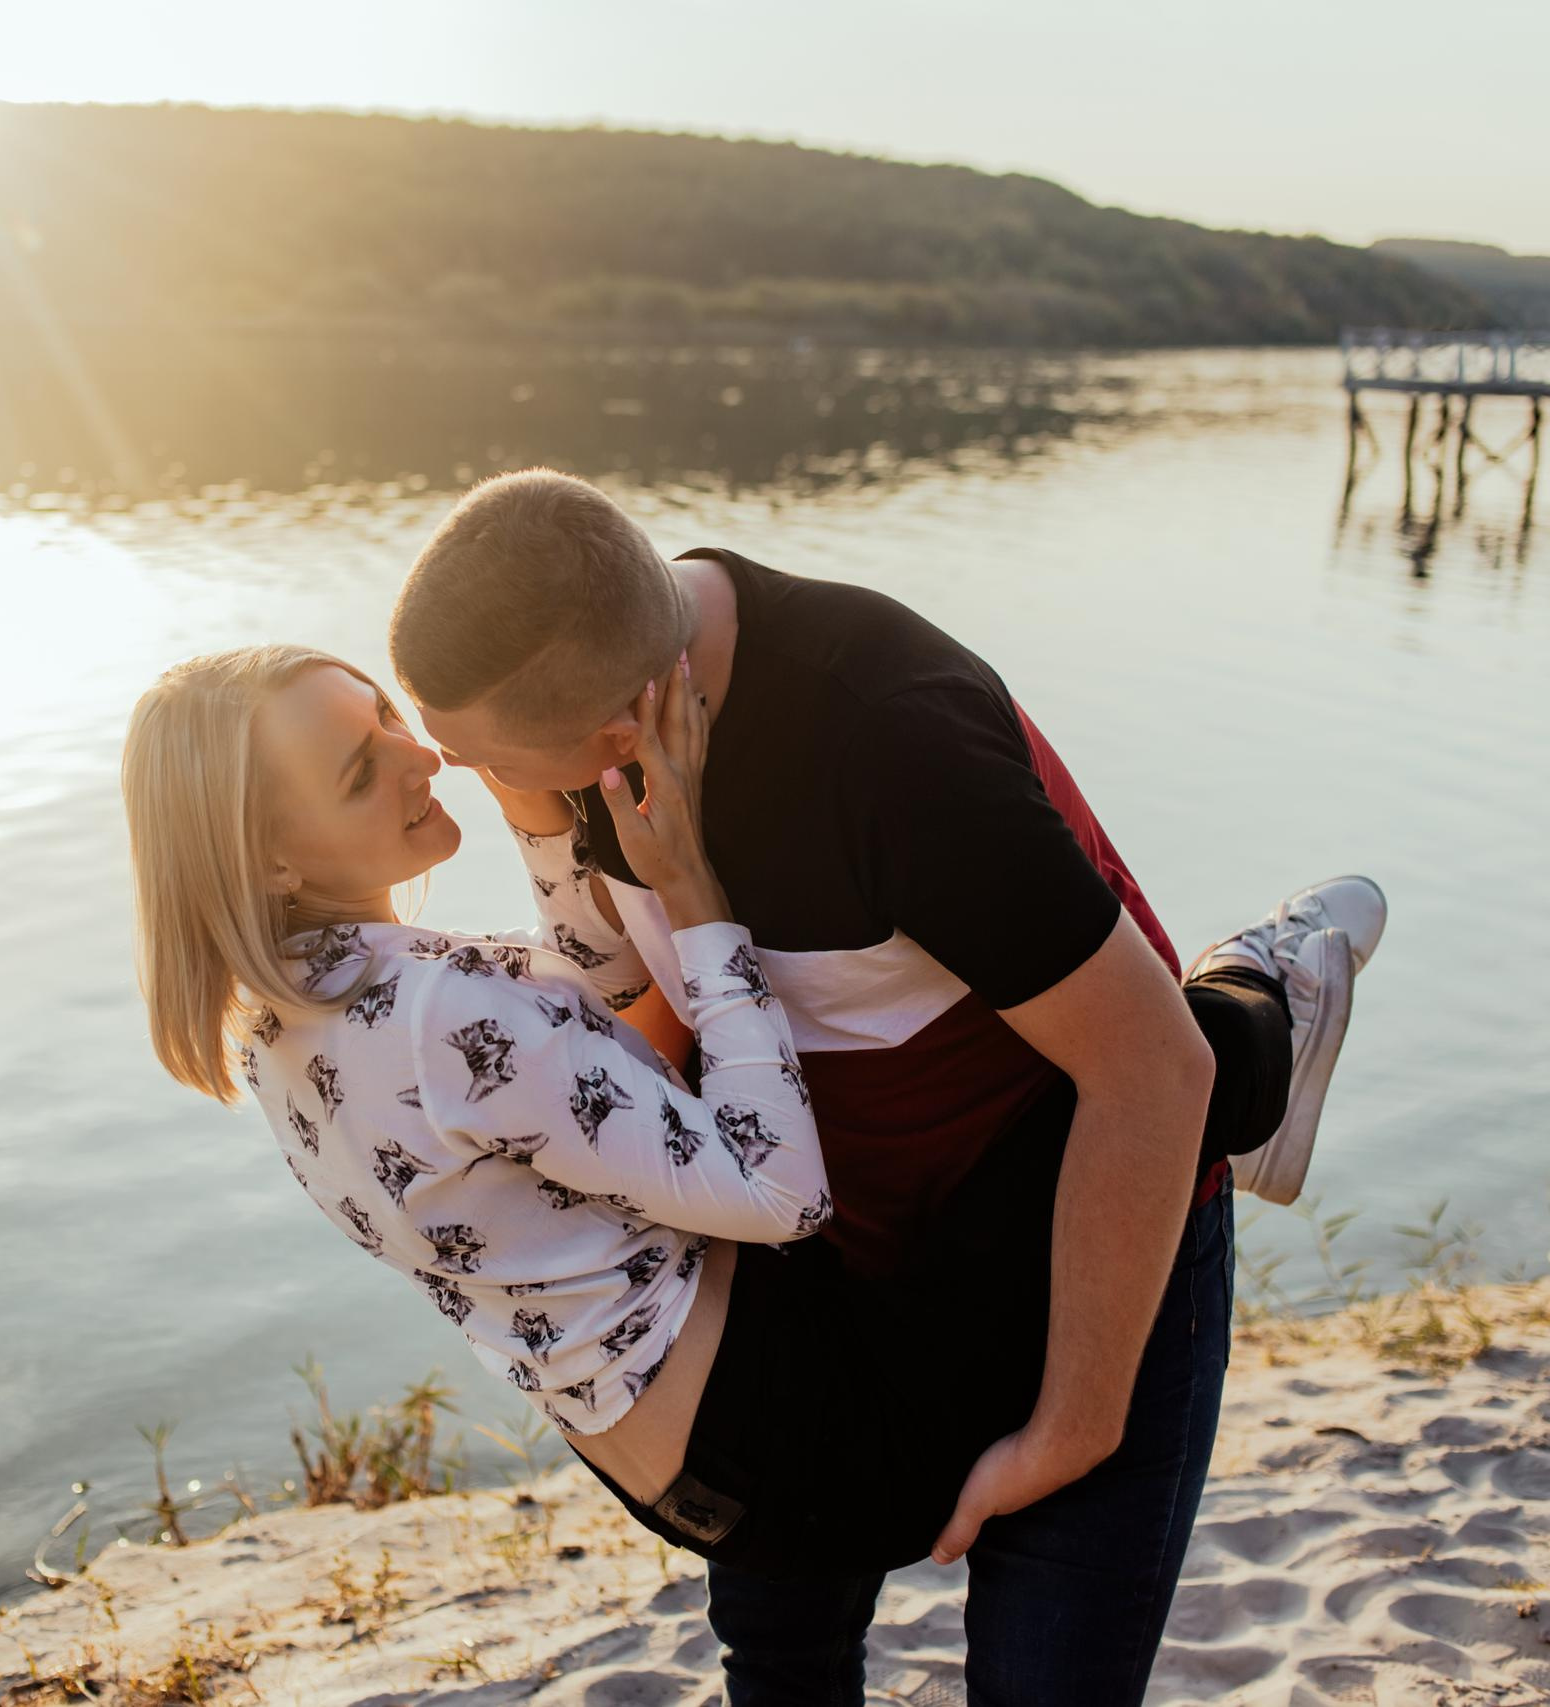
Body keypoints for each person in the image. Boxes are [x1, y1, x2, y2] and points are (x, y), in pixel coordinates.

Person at [118, 643, 1375, 1634]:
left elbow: (582, 1036)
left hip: (667, 1463)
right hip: (806, 1431)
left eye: (388, 715)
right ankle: (1260, 1011)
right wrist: (699, 903)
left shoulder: (283, 1023)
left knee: (785, 1647)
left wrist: (546, 829)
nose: (421, 758)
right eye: (361, 769)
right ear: (271, 860)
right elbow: (779, 1191)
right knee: (1073, 1115)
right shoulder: (435, 1009)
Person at [384, 469, 1386, 1704]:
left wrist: (1067, 1430)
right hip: (831, 1257)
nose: (445, 771)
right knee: (782, 1650)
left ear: (619, 733)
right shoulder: (600, 702)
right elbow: (639, 1014)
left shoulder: (889, 738)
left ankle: (1264, 1001)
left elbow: (1147, 1075)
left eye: (472, 757)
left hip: (1079, 1216)